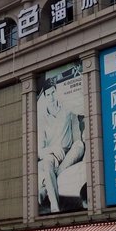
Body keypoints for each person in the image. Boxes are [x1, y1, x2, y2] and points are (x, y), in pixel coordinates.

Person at [37, 78, 84, 213]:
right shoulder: (42, 120)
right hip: (52, 155)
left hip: (68, 153)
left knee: (79, 145)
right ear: (44, 97)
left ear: (56, 92)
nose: (51, 97)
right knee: (47, 162)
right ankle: (55, 208)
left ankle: (46, 187)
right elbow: (40, 151)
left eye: (53, 93)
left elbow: (77, 139)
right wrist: (53, 149)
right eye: (48, 95)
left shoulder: (68, 110)